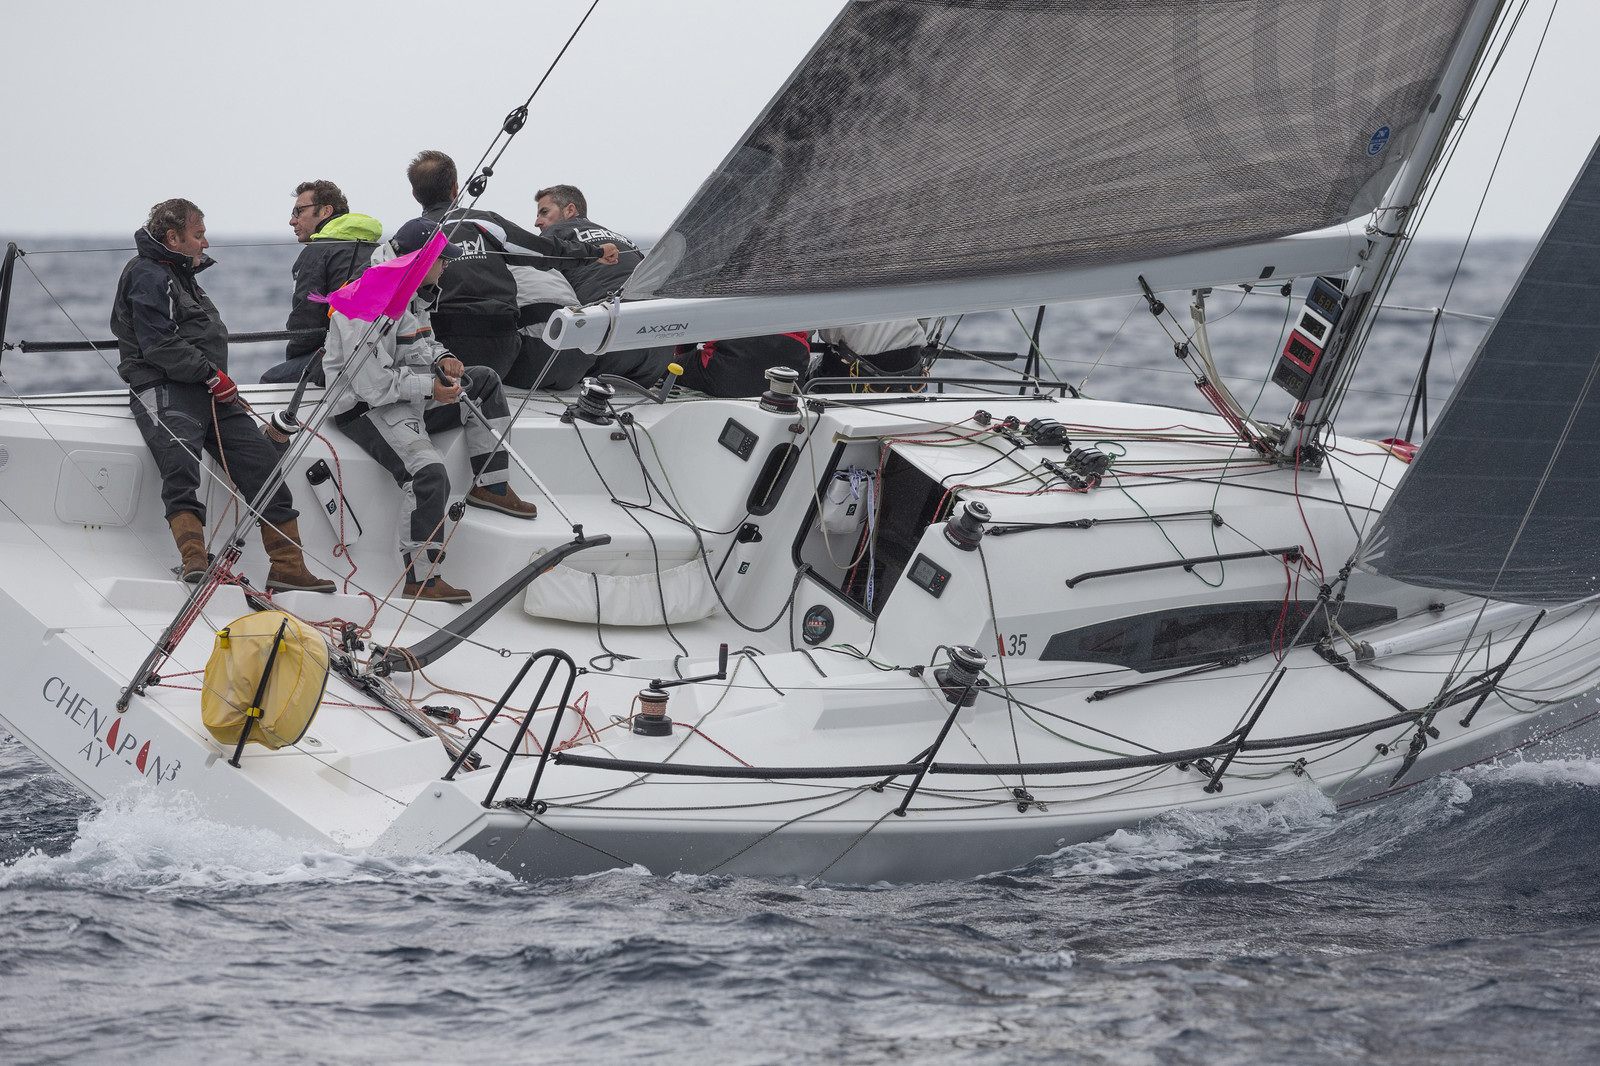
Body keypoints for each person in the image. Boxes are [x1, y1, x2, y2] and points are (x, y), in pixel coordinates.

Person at [111, 198, 335, 593]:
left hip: (211, 392)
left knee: (262, 463)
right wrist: (212, 376)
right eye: (198, 236)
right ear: (173, 237)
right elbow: (158, 344)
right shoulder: (148, 274)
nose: (206, 243)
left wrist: (213, 381)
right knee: (181, 468)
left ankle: (288, 568)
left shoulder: (180, 274)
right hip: (165, 389)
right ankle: (195, 561)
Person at [322, 218, 539, 604]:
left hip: (409, 394)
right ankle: (421, 578)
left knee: (484, 380)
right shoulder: (365, 303)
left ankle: (491, 486)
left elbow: (421, 342)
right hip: (364, 409)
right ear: (422, 261)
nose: (448, 267)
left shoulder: (412, 290)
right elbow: (372, 387)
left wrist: (445, 358)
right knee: (429, 473)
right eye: (444, 261)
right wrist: (431, 389)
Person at [405, 150, 618, 388]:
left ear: (415, 194)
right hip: (501, 349)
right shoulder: (485, 222)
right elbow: (544, 251)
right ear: (456, 188)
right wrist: (596, 252)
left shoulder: (412, 237)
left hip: (446, 350)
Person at [530, 183, 674, 390]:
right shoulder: (624, 241)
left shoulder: (556, 236)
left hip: (609, 345)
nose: (537, 222)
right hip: (658, 356)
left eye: (544, 212)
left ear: (570, 210)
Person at [262, 180, 383, 385]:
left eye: (298, 211)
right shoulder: (377, 250)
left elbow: (306, 321)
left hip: (339, 361)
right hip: (379, 356)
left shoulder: (316, 252)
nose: (292, 220)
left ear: (326, 211)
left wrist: (294, 359)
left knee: (271, 381)